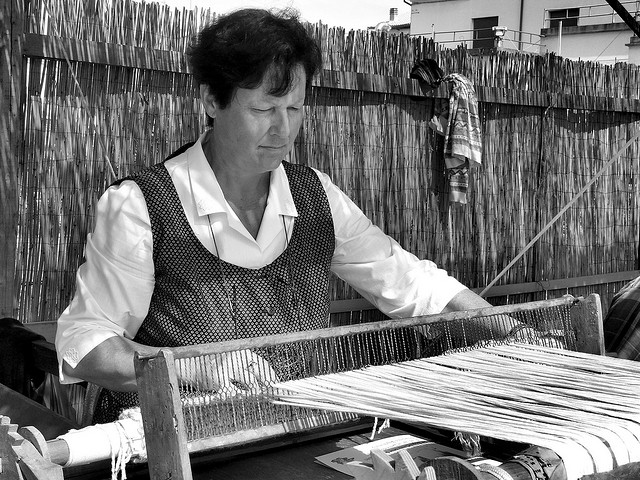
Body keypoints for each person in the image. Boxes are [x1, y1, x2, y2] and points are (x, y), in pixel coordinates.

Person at [55, 8, 514, 423]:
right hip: (166, 445)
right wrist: (194, 366)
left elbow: (412, 283)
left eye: (294, 109)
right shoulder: (141, 206)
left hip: (290, 434)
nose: (283, 129)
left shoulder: (316, 197)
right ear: (211, 101)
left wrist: (515, 333)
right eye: (264, 108)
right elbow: (85, 344)